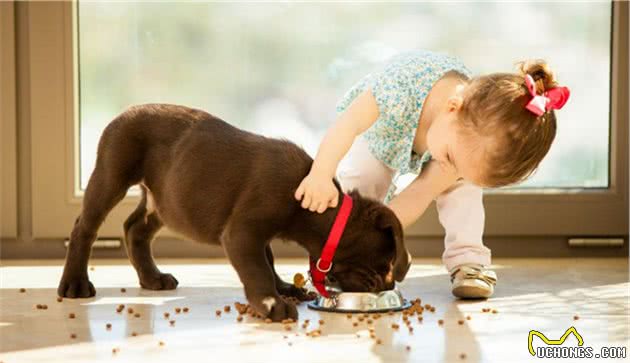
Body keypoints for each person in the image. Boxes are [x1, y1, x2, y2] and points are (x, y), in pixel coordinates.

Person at [294, 49, 570, 299]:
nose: (451, 171)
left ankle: (469, 261)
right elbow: (348, 124)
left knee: (463, 192)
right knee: (362, 179)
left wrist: (387, 241)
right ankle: (338, 261)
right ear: (452, 108)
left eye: (462, 169)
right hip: (383, 133)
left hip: (446, 138)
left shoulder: (463, 142)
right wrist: (320, 173)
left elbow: (420, 192)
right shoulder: (397, 90)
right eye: (451, 159)